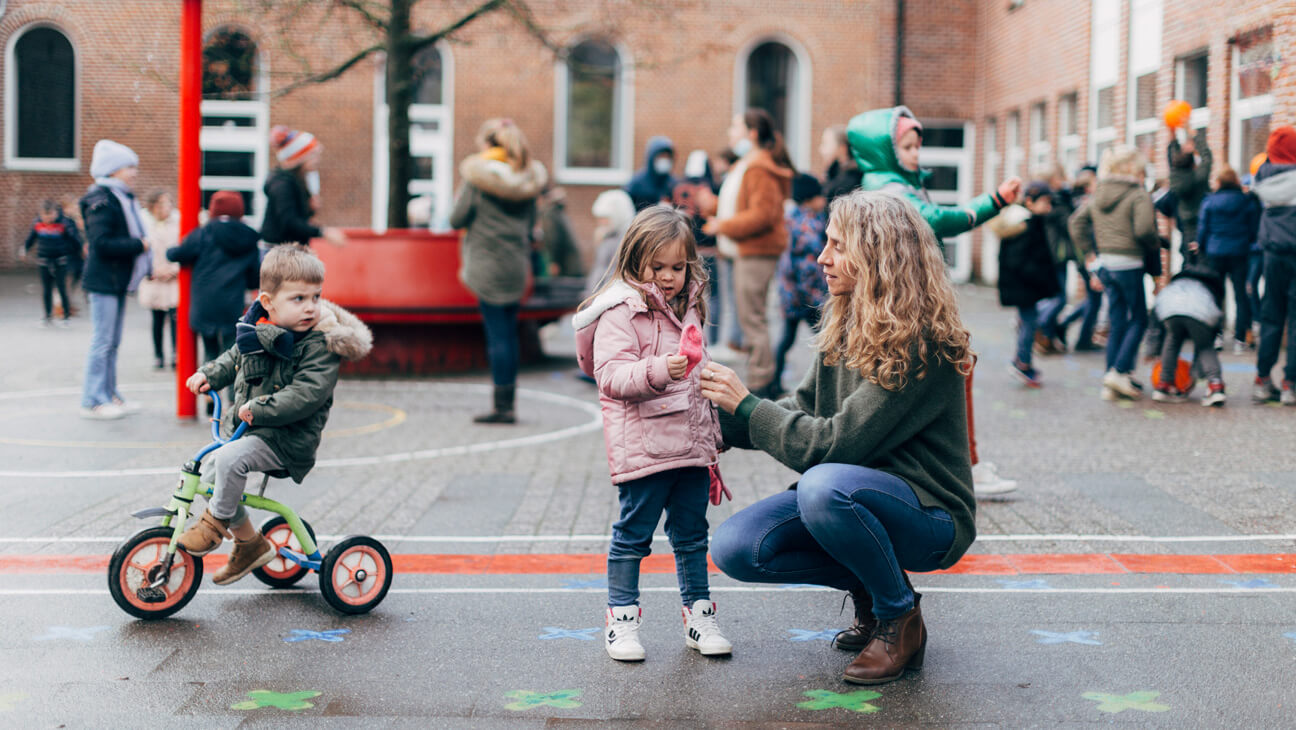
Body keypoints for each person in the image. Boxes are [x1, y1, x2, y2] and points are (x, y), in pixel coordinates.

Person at [703, 191, 975, 685]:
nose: (822, 257)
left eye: (837, 245)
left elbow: (833, 447)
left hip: (930, 515)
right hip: (857, 497)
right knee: (738, 547)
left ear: (877, 255)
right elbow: (803, 408)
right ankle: (876, 590)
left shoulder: (923, 341)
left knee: (823, 485)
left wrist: (746, 403)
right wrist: (715, 425)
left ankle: (898, 618)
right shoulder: (848, 317)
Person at [572, 206, 730, 662]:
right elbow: (611, 378)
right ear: (633, 259)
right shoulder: (622, 310)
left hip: (691, 447)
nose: (668, 277)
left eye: (677, 267)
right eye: (657, 267)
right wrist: (660, 369)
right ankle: (621, 619)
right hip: (645, 448)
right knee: (633, 536)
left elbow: (698, 368)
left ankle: (698, 616)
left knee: (693, 535)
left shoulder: (692, 303)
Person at [847, 105, 1021, 498]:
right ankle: (966, 467)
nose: (916, 154)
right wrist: (993, 200)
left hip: (907, 300)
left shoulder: (897, 184)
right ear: (885, 151)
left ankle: (957, 464)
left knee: (945, 373)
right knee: (953, 370)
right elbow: (938, 219)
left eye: (916, 146)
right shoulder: (890, 190)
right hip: (907, 303)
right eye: (907, 147)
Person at [177, 245, 372, 584]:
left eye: (315, 297)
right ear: (268, 303)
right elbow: (234, 357)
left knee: (227, 463)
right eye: (299, 299)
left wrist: (259, 407)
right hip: (250, 430)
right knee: (211, 475)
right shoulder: (260, 329)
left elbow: (307, 394)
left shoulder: (321, 344)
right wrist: (210, 374)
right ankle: (250, 544)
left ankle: (213, 526)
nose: (311, 307)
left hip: (287, 439)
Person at [449, 118, 547, 424]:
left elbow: (456, 218)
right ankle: (508, 402)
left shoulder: (477, 179)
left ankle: (502, 408)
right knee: (509, 335)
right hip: (516, 267)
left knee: (497, 337)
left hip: (486, 266)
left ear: (488, 144)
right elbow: (532, 226)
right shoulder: (527, 180)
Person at [703, 109, 794, 400]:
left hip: (756, 251)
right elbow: (743, 206)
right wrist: (714, 205)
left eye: (736, 127)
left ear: (752, 133)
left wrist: (722, 225)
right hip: (746, 251)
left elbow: (763, 214)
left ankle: (761, 382)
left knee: (752, 319)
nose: (731, 132)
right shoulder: (749, 163)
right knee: (750, 317)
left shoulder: (758, 167)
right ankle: (761, 378)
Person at [1069, 145, 1160, 401]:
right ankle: (1119, 371)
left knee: (1118, 320)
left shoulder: (1099, 193)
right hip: (1130, 264)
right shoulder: (1138, 194)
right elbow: (1144, 230)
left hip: (1106, 266)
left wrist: (1090, 256)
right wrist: (1154, 242)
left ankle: (1112, 380)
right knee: (1140, 319)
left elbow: (1076, 223)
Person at [79, 140, 150, 420]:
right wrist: (139, 245)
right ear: (114, 169)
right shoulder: (103, 200)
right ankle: (94, 399)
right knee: (103, 341)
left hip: (114, 280)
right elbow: (101, 243)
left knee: (111, 341)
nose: (134, 172)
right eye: (129, 167)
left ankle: (109, 394)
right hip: (104, 281)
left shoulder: (117, 198)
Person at [166, 191, 262, 364]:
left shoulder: (204, 233)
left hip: (205, 302)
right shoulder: (248, 237)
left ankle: (207, 389)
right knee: (233, 355)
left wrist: (170, 250)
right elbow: (254, 277)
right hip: (232, 303)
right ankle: (234, 391)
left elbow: (177, 254)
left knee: (210, 354)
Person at [992, 182, 1060, 387]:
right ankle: (1021, 363)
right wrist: (1038, 277)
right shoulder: (1025, 225)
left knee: (1028, 321)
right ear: (1030, 202)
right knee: (1030, 322)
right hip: (1023, 286)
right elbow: (1019, 260)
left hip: (1024, 285)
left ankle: (1023, 361)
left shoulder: (1031, 222)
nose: (1048, 207)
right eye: (1044, 202)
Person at [1252, 126, 1296, 405]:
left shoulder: (1261, 179)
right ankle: (1291, 383)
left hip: (1271, 255)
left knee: (1271, 316)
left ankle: (1262, 378)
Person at [772, 173, 828, 392]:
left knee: (786, 339)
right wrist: (815, 296)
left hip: (790, 294)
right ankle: (825, 385)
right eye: (819, 196)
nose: (823, 200)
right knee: (826, 340)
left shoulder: (793, 218)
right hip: (805, 295)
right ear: (808, 199)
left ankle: (774, 381)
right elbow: (807, 264)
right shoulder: (808, 224)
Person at [1198, 165, 1262, 355]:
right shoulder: (1246, 201)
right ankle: (1240, 339)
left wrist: (1201, 246)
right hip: (1239, 253)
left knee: (1216, 294)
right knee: (1240, 296)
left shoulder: (1209, 201)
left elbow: (1203, 228)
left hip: (1215, 252)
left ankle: (1216, 336)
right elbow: (1254, 229)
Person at [1152, 264, 1227, 406]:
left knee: (1172, 340)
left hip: (1170, 306)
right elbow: (1214, 328)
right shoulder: (1210, 287)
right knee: (1205, 346)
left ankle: (1164, 385)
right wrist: (1196, 373)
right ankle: (1215, 386)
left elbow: (1155, 320)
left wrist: (1153, 348)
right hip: (1200, 310)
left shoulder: (1178, 282)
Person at [261, 126, 347, 249]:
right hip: (279, 252)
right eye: (314, 155)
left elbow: (297, 217)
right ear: (300, 158)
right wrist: (323, 232)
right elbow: (289, 222)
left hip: (289, 249)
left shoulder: (298, 181)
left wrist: (311, 208)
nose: (318, 160)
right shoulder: (282, 185)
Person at [672, 150, 722, 344]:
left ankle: (684, 338)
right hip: (709, 249)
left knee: (686, 296)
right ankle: (714, 341)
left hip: (686, 249)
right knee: (714, 297)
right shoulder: (712, 188)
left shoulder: (678, 187)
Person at [1058, 165, 1103, 351]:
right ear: (1087, 187)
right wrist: (1089, 253)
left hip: (1083, 256)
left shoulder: (1075, 201)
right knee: (1094, 299)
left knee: (1093, 298)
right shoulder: (1085, 203)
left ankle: (1069, 326)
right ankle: (1082, 339)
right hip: (1087, 257)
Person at [1034, 164, 1076, 354]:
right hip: (1055, 256)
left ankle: (1047, 336)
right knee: (1059, 298)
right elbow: (1069, 223)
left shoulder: (1043, 202)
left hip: (1047, 256)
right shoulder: (1056, 202)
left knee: (1052, 297)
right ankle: (1039, 324)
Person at [138, 189, 181, 369]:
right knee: (156, 319)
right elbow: (142, 252)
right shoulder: (145, 224)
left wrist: (173, 269)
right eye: (163, 204)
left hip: (173, 278)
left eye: (169, 203)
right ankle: (158, 355)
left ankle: (175, 353)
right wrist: (154, 270)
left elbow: (183, 248)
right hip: (155, 277)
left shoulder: (178, 223)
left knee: (175, 318)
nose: (167, 207)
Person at [22, 199, 81, 327]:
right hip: (44, 260)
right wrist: (24, 250)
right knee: (46, 289)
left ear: (55, 213)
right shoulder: (37, 223)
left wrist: (73, 253)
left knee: (62, 288)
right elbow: (31, 238)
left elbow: (75, 241)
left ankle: (66, 316)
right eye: (44, 215)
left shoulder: (64, 223)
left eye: (50, 214)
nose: (47, 218)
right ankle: (47, 316)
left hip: (60, 260)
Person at [1167, 128, 1213, 266]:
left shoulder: (1175, 177)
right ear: (1193, 163)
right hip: (1203, 220)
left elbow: (1171, 158)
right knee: (1203, 257)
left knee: (1188, 255)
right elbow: (1207, 158)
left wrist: (1173, 136)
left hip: (1186, 222)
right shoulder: (1199, 178)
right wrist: (1195, 136)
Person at [585, 189, 637, 297]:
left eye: (604, 218)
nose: (600, 222)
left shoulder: (624, 242)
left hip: (606, 296)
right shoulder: (607, 238)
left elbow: (612, 274)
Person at [536, 186, 582, 277]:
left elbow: (553, 240)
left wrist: (553, 262)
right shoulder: (558, 212)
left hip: (565, 265)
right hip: (572, 263)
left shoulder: (550, 214)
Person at [624, 136, 677, 211]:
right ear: (652, 157)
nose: (664, 160)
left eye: (667, 157)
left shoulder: (673, 184)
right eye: (661, 156)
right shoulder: (636, 184)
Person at [820, 125, 862, 205]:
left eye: (826, 143)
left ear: (842, 148)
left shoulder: (853, 178)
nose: (821, 149)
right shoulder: (833, 171)